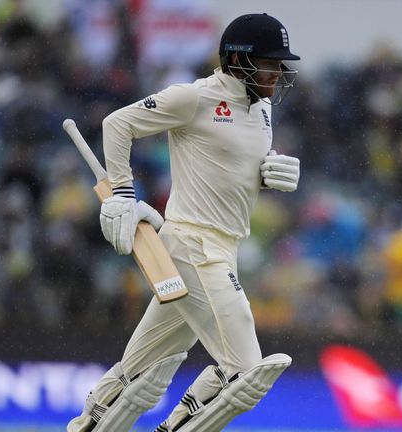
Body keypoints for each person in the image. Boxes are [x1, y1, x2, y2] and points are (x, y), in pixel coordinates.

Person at [67, 13, 302, 432]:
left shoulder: (262, 109)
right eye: (268, 63)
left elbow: (224, 168)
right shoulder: (196, 98)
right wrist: (123, 195)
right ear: (237, 60)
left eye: (279, 65)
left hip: (221, 250)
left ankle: (93, 420)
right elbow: (117, 124)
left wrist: (265, 175)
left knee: (140, 374)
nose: (276, 74)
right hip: (193, 246)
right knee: (244, 373)